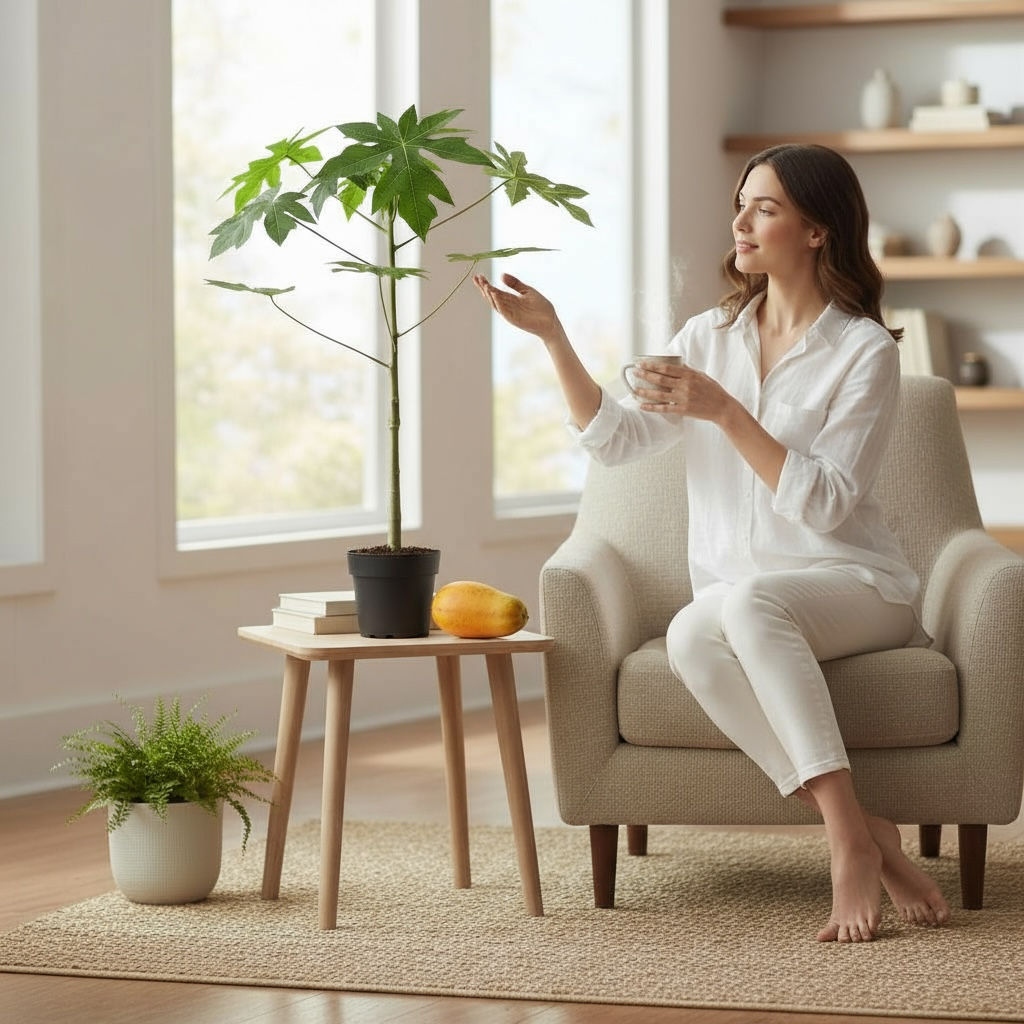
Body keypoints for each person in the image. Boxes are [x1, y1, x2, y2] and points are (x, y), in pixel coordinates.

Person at [474, 143, 951, 943]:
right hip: (739, 597)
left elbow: (827, 502)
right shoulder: (708, 335)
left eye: (765, 207)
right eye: (741, 204)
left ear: (817, 231)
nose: (740, 221)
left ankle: (847, 843)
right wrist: (553, 337)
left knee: (751, 605)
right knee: (694, 633)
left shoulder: (864, 350)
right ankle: (867, 830)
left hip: (857, 585)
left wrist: (726, 411)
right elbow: (617, 442)